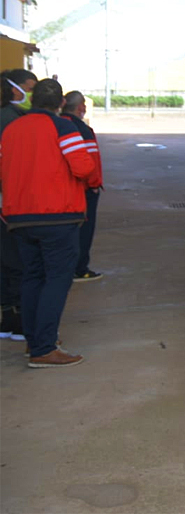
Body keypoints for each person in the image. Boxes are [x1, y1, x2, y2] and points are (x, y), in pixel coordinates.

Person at [0, 79, 97, 368]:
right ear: (60, 104)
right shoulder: (63, 127)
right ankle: (43, 348)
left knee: (32, 277)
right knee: (56, 279)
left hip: (18, 216)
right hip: (57, 215)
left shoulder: (11, 129)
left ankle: (34, 340)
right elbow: (83, 167)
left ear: (31, 100)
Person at [0, 69, 37, 341]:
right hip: (9, 204)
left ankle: (8, 319)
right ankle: (21, 322)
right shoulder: (11, 121)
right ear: (13, 89)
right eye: (29, 87)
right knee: (17, 262)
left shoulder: (11, 118)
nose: (31, 94)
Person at [60, 91, 105, 281]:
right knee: (84, 229)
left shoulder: (56, 125)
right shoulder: (81, 129)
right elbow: (90, 162)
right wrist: (94, 184)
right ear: (81, 107)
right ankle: (80, 268)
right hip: (83, 189)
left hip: (61, 188)